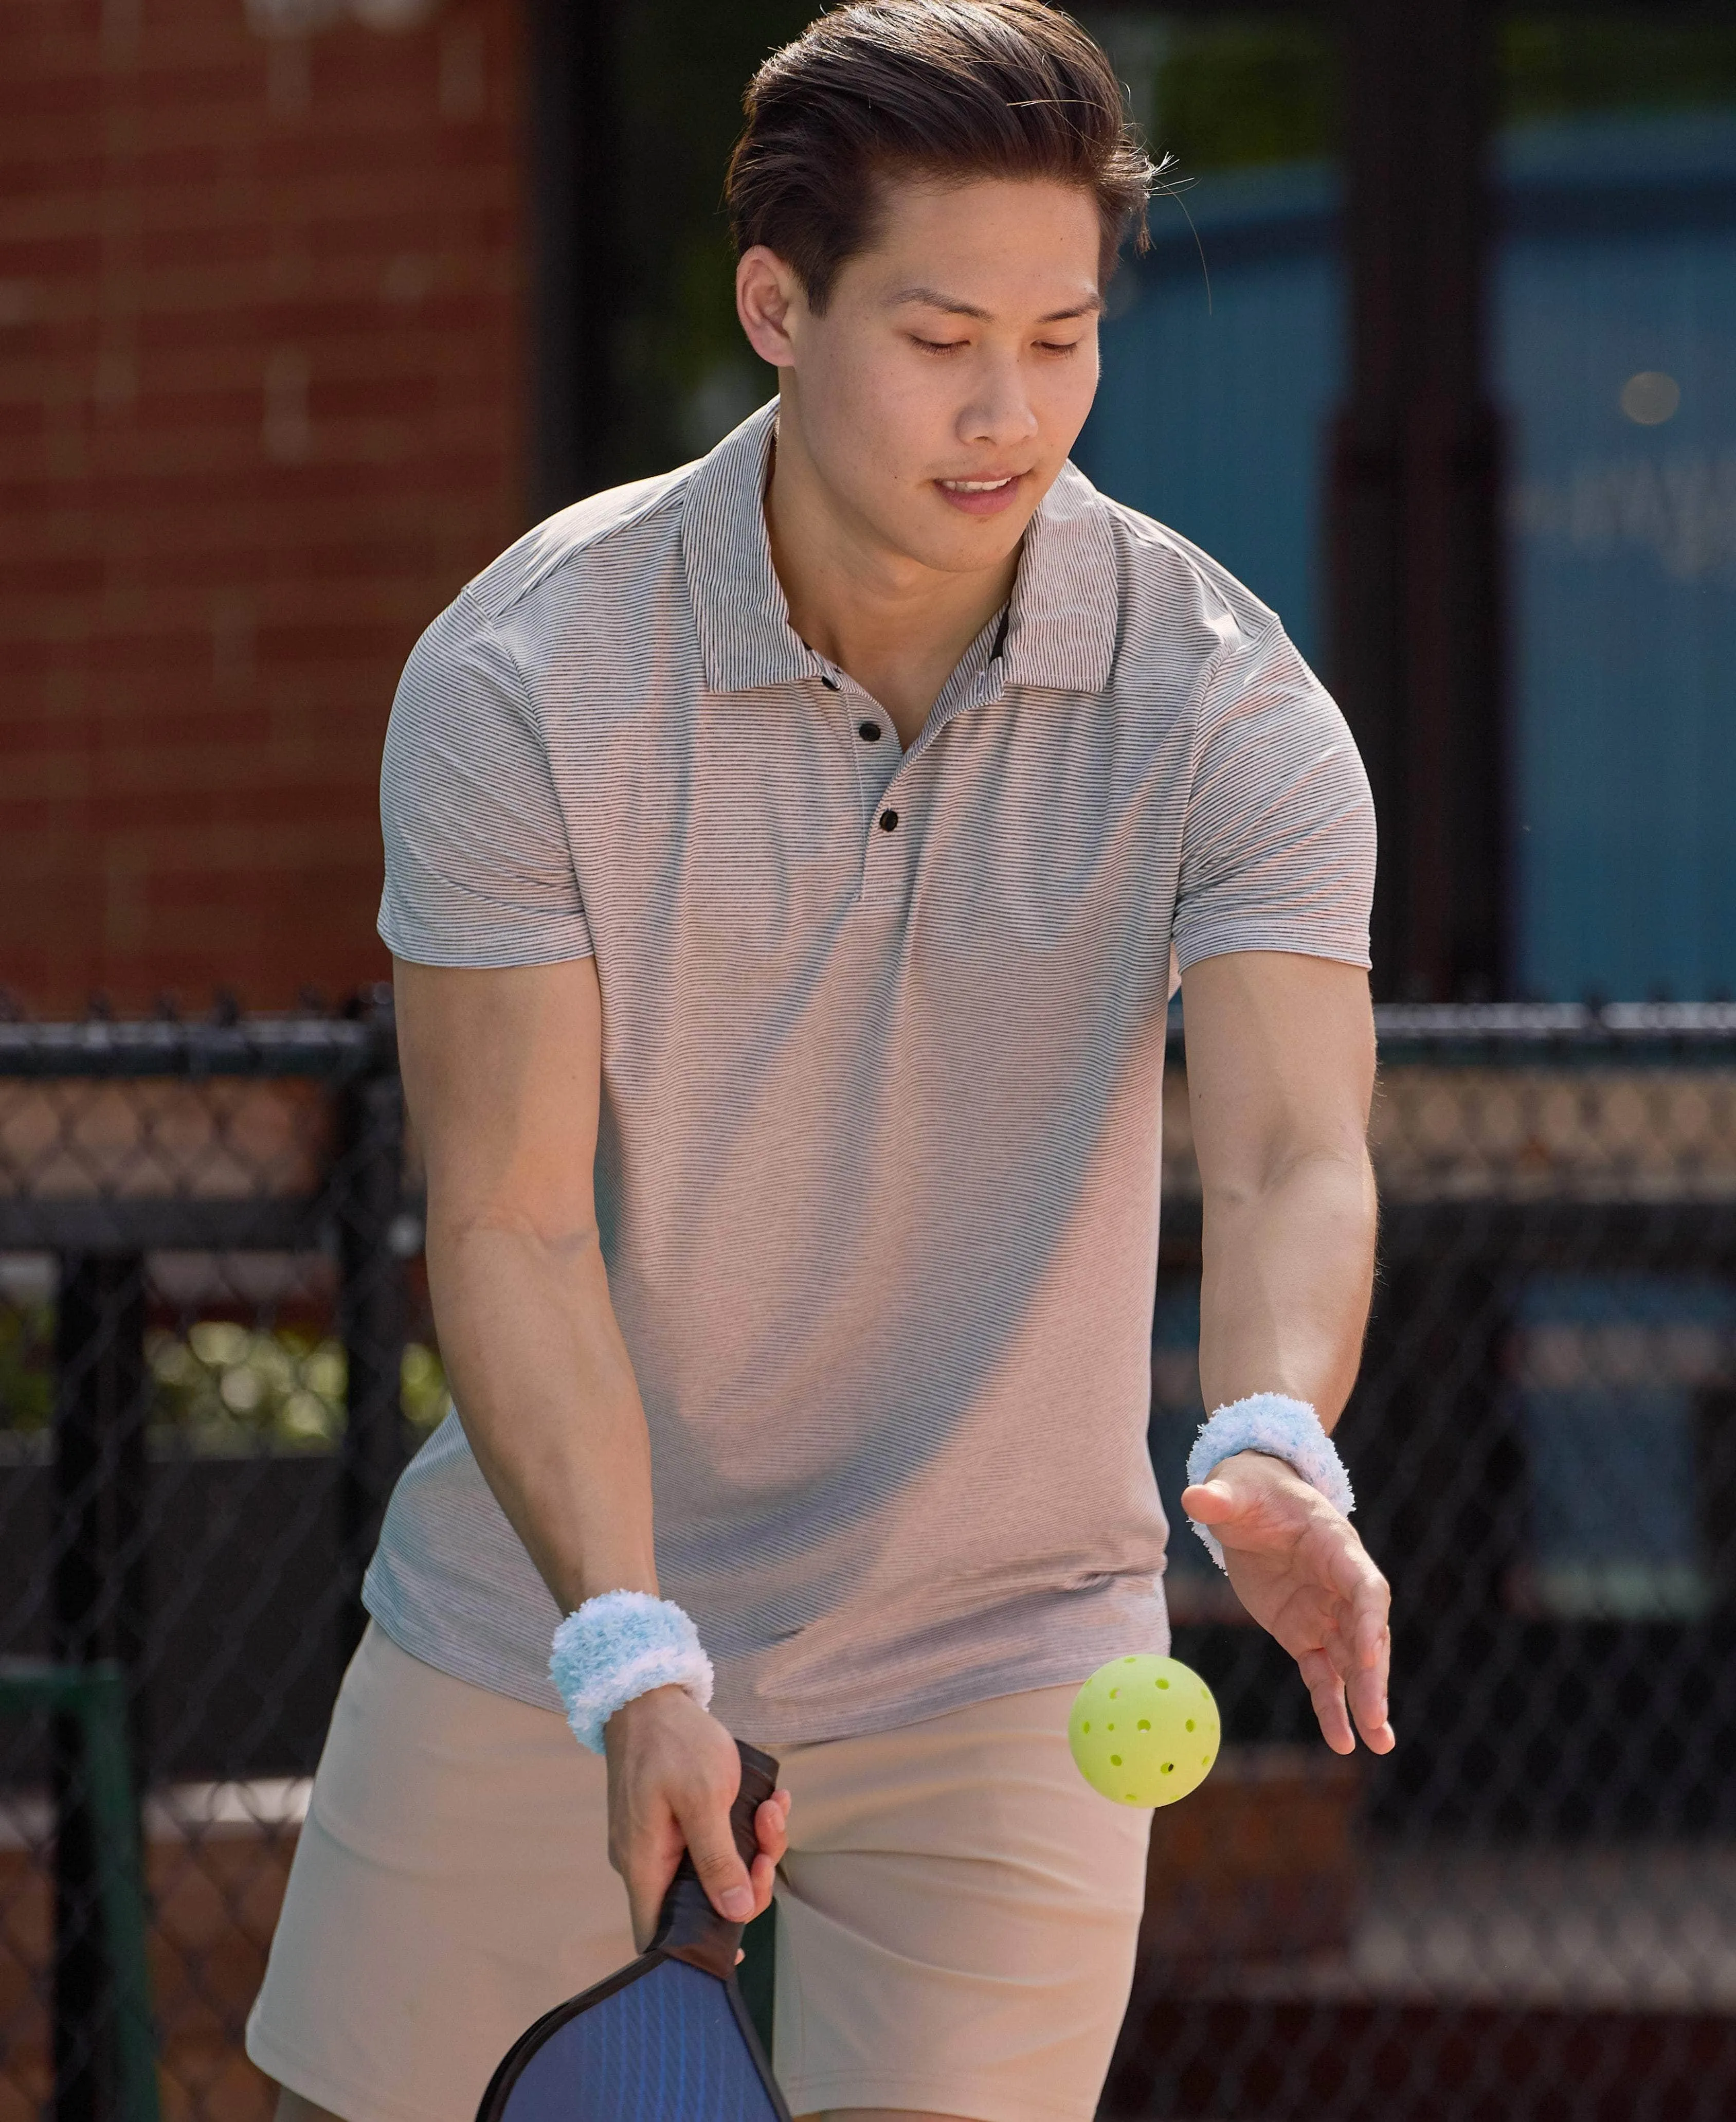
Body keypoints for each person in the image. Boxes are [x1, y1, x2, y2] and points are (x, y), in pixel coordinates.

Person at [246, 5, 1392, 2120]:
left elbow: (1295, 1148)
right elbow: (501, 1218)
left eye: (1062, 338)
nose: (1009, 407)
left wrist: (1267, 1424)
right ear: (778, 305)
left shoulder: (1228, 706)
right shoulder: (524, 674)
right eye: (942, 334)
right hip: (547, 1613)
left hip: (1005, 1649)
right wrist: (625, 1651)